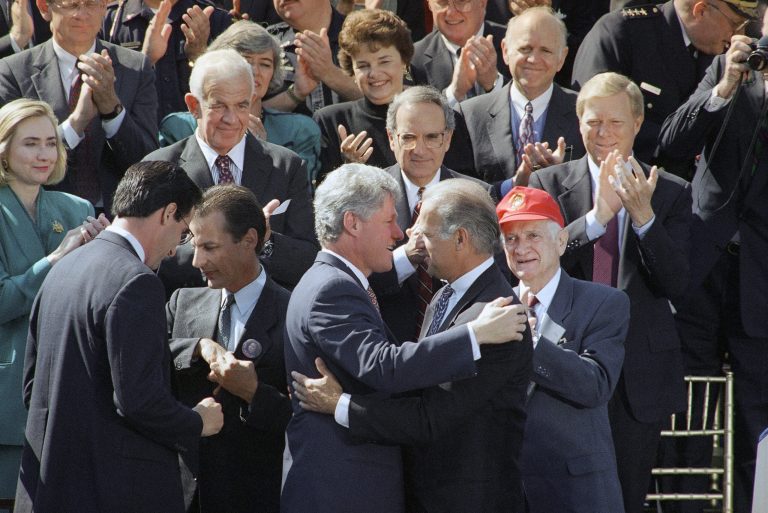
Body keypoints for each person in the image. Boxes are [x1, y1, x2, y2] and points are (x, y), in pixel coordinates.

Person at [281, 163, 529, 513]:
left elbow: (428, 415)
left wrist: (340, 404)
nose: (402, 236)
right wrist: (473, 335)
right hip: (344, 487)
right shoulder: (335, 288)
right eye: (389, 221)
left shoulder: (500, 317)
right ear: (353, 223)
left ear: (460, 238)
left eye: (424, 234)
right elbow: (388, 367)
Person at [15, 161, 223, 513]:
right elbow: (138, 400)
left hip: (50, 488)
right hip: (112, 491)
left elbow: (33, 389)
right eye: (184, 231)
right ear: (169, 213)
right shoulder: (137, 281)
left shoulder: (63, 267)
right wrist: (197, 421)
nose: (176, 249)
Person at [527, 72, 693, 513]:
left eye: (614, 123)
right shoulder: (548, 186)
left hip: (637, 374)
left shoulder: (672, 193)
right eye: (591, 121)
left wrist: (644, 218)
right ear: (577, 122)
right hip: (561, 362)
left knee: (624, 496)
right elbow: (534, 265)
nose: (602, 134)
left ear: (637, 124)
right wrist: (597, 219)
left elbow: (679, 284)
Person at [657, 20, 768, 512]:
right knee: (685, 403)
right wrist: (724, 86)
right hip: (700, 269)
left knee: (753, 413)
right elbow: (670, 143)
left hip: (761, 280)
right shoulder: (724, 72)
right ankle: (680, 506)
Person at [0, 99, 108, 501]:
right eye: (30, 143)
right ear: (4, 149)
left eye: (50, 142)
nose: (44, 153)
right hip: (7, 399)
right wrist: (56, 259)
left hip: (70, 390)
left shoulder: (77, 208)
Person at [497, 185, 628, 513]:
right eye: (511, 238)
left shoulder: (603, 302)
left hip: (575, 492)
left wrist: (533, 344)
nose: (521, 247)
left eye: (532, 235)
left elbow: (596, 384)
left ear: (560, 241)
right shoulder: (493, 308)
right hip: (506, 490)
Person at [145, 48, 317, 292]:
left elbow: (308, 259)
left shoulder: (287, 166)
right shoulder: (159, 169)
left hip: (268, 318)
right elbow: (147, 258)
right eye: (219, 106)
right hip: (188, 316)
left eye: (241, 106)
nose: (231, 118)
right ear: (194, 106)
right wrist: (216, 245)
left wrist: (265, 240)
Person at [167, 185, 291, 513]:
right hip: (182, 494)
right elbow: (143, 362)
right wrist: (196, 348)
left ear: (249, 240)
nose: (197, 261)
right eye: (194, 246)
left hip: (254, 495)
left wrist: (254, 394)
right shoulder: (182, 302)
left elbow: (307, 417)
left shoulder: (293, 313)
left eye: (210, 247)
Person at [0, 0, 159, 213]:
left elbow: (148, 161)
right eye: (72, 5)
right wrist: (76, 123)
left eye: (92, 4)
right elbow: (11, 160)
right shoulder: (14, 72)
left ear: (104, 7)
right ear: (44, 8)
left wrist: (112, 110)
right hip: (44, 213)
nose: (81, 14)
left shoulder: (135, 67)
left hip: (120, 215)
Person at [572, 0, 757, 179]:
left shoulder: (726, 53)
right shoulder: (622, 32)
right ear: (700, 10)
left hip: (695, 190)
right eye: (735, 23)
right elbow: (593, 114)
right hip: (628, 177)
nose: (738, 34)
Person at [367, 85, 481, 342]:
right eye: (408, 137)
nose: (419, 149)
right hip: (384, 347)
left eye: (432, 137)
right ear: (391, 137)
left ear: (448, 139)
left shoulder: (477, 198)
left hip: (457, 348)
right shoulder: (367, 196)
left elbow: (488, 281)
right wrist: (405, 258)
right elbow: (355, 279)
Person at [157, 20, 322, 184]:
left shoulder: (299, 130)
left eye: (265, 64)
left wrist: (261, 152)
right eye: (246, 61)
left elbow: (299, 199)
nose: (255, 72)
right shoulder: (180, 127)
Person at [457, 6, 584, 185]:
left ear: (561, 58)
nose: (533, 59)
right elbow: (461, 189)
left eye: (546, 51)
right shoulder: (469, 116)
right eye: (525, 48)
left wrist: (555, 176)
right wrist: (514, 185)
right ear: (505, 51)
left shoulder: (584, 113)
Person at [312, 8, 413, 181]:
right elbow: (323, 198)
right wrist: (346, 169)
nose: (373, 73)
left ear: (404, 62)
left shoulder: (432, 114)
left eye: (384, 62)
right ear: (352, 70)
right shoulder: (331, 121)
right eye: (363, 65)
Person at [102, 0, 232, 120]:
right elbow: (104, 97)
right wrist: (146, 60)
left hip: (195, 139)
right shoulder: (108, 21)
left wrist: (198, 56)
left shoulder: (214, 19)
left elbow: (232, 95)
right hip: (137, 138)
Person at [264, 0, 361, 116]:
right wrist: (294, 95)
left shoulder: (367, 37)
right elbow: (246, 112)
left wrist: (330, 73)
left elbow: (386, 103)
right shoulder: (264, 44)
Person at [410, 0, 510, 107]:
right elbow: (417, 120)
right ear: (429, 4)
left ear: (482, 2)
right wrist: (454, 93)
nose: (451, 12)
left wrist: (495, 84)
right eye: (442, 2)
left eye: (461, 1)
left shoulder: (516, 43)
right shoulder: (413, 60)